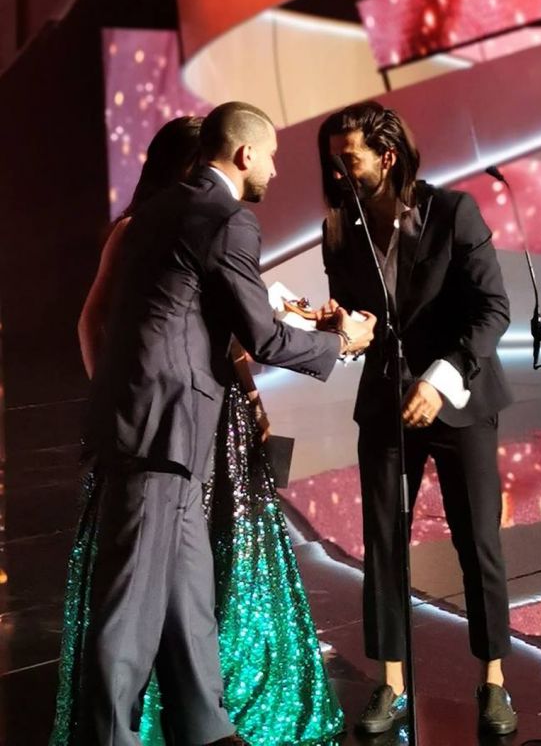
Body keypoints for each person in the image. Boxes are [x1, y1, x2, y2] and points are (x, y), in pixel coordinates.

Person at [53, 102, 374, 746]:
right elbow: (259, 335)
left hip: (167, 429)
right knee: (129, 611)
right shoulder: (227, 218)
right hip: (163, 433)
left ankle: (205, 727)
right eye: (272, 157)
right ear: (246, 154)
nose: (276, 170)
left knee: (188, 593)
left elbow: (197, 311)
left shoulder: (159, 212)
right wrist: (344, 342)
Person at [316, 101, 517, 737]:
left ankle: (493, 681)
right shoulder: (339, 228)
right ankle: (392, 683)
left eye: (349, 159)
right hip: (385, 403)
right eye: (333, 162)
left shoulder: (454, 212)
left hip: (460, 399)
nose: (340, 172)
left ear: (387, 156)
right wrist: (336, 326)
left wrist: (440, 379)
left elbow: (493, 309)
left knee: (477, 543)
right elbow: (362, 322)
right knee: (383, 543)